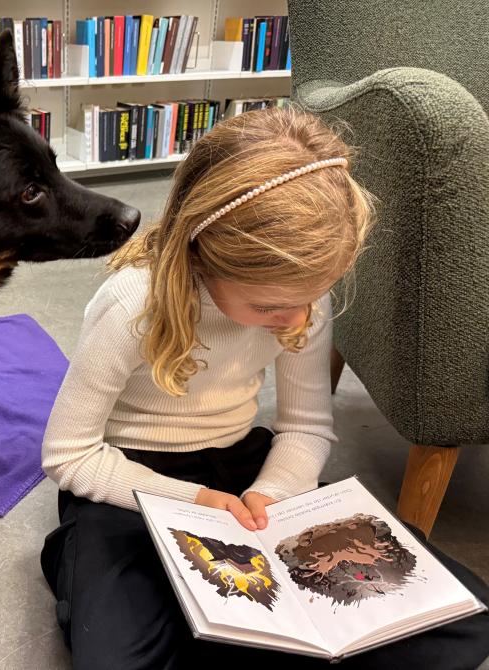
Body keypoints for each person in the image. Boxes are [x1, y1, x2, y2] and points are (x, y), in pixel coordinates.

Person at [39, 105, 489, 669]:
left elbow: (304, 427)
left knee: (456, 620)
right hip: (130, 477)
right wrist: (196, 502)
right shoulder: (133, 303)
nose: (295, 318)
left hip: (242, 469)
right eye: (269, 307)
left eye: (309, 298)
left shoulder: (299, 295)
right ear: (203, 256)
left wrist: (272, 493)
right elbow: (69, 455)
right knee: (116, 654)